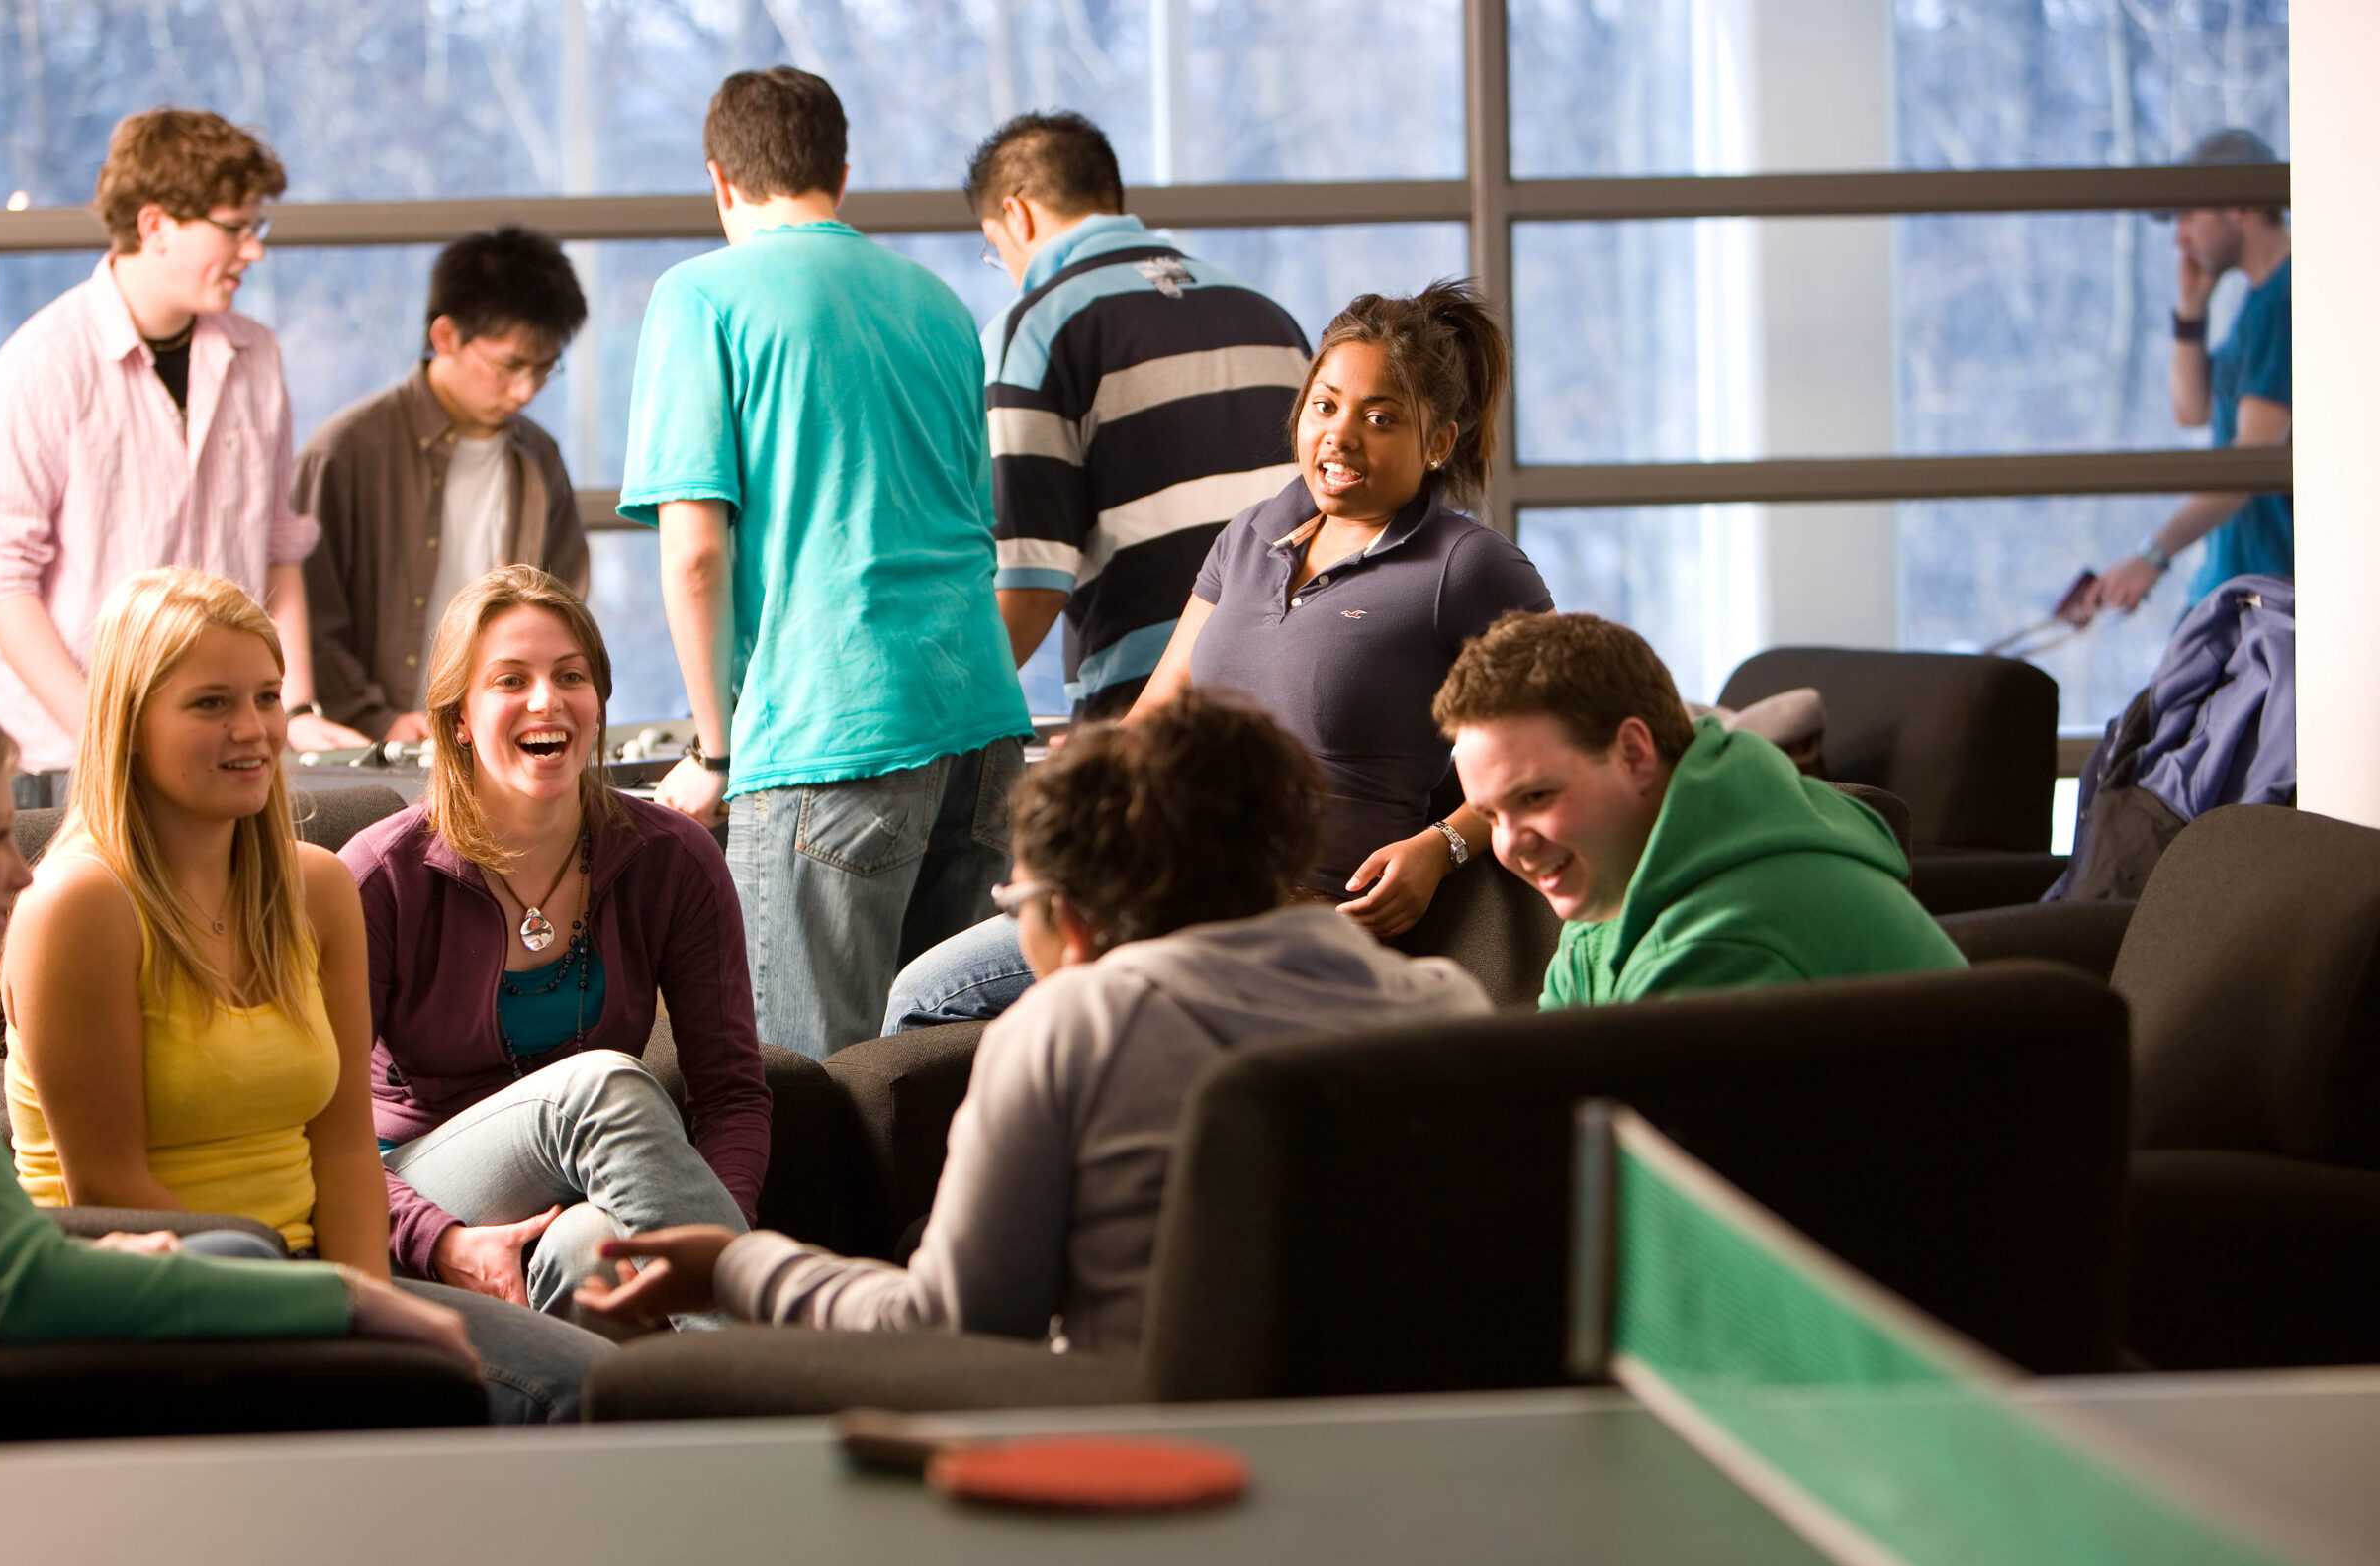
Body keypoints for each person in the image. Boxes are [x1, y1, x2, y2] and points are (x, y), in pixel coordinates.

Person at [570, 693, 1491, 1353]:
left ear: (1075, 920)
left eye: (1021, 905)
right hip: (1413, 1472)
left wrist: (734, 1266)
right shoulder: (1447, 1006)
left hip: (1134, 1478)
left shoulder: (1077, 1026)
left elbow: (950, 1330)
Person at [0, 571, 608, 1422]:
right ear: (129, 724)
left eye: (267, 696)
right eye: (210, 703)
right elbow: (110, 1186)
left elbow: (347, 1148)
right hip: (146, 1295)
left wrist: (364, 1308)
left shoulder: (317, 887)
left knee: (598, 1384)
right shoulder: (77, 905)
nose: (252, 730)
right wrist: (330, 1312)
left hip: (313, 1276)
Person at [884, 280, 1553, 1031]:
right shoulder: (1254, 532)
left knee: (929, 1003)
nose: (1340, 435)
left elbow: (1549, 749)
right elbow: (1152, 715)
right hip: (1160, 886)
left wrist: (1441, 847)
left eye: (1381, 417)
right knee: (927, 996)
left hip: (1295, 924)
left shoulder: (1468, 568)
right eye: (1325, 405)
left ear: (1439, 442)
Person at [0, 664, 477, 1366]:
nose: (22, 872)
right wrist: (344, 1299)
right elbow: (15, 1290)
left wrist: (79, 1253)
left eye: (268, 696)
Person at [619, 66, 1032, 1060]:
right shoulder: (936, 304)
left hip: (830, 730)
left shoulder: (699, 297)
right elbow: (971, 521)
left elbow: (695, 553)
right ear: (839, 173)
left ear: (720, 181)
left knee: (811, 1084)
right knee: (948, 1080)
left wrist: (715, 752)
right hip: (978, 721)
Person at [339, 566, 768, 1330]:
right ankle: (763, 1373)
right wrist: (440, 1239)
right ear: (460, 717)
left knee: (591, 1248)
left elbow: (732, 1092)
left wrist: (707, 1221)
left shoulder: (673, 857)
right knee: (600, 1084)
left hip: (587, 1195)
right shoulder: (379, 878)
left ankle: (620, 1433)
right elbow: (318, 1128)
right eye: (511, 679)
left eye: (571, 675)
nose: (547, 699)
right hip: (420, 1185)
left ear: (598, 704)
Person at [0, 107, 354, 808]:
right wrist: (105, 731)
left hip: (229, 749)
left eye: (256, 228)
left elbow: (276, 548)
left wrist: (293, 711)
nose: (253, 251)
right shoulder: (40, 365)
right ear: (154, 226)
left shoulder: (255, 354)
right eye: (234, 228)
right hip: (76, 762)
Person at [1436, 610, 1967, 1008]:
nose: (1510, 844)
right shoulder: (1615, 879)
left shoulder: (1723, 944)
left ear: (1635, 754)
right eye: (1489, 817)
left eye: (1535, 798)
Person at [967, 111, 1311, 721]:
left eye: (997, 251)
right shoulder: (1267, 316)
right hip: (1300, 686)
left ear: (1015, 216)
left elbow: (1031, 583)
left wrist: (943, 711)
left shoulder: (1036, 330)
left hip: (1152, 718)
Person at [294, 226, 592, 744]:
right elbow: (309, 614)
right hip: (375, 751)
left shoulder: (540, 457)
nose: (525, 390)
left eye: (545, 370)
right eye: (509, 366)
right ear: (445, 337)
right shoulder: (348, 449)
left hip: (497, 742)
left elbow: (564, 602)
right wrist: (377, 718)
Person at [2065, 129, 2292, 629]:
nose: (2179, 237)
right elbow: (2193, 411)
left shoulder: (2285, 299)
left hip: (2266, 594)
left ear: (2236, 201)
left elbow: (2255, 455)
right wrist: (2191, 311)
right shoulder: (2261, 301)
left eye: (2189, 214)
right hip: (2235, 581)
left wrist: (2154, 555)